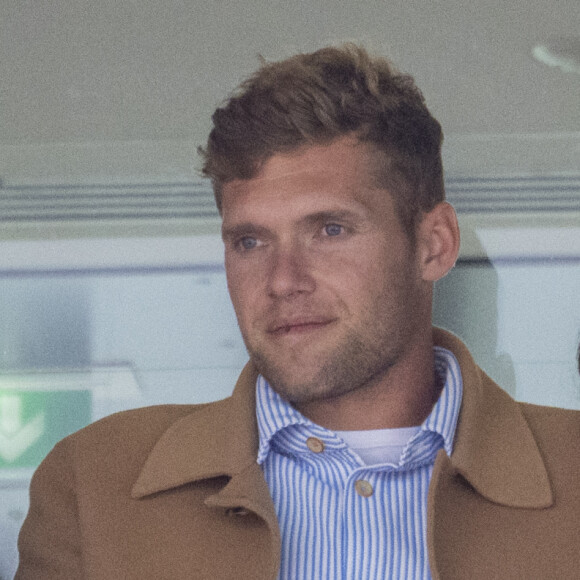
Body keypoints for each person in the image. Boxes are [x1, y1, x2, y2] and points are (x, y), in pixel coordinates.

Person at [16, 44, 580, 579]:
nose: (283, 281)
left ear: (434, 244)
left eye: (330, 230)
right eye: (250, 242)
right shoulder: (96, 485)